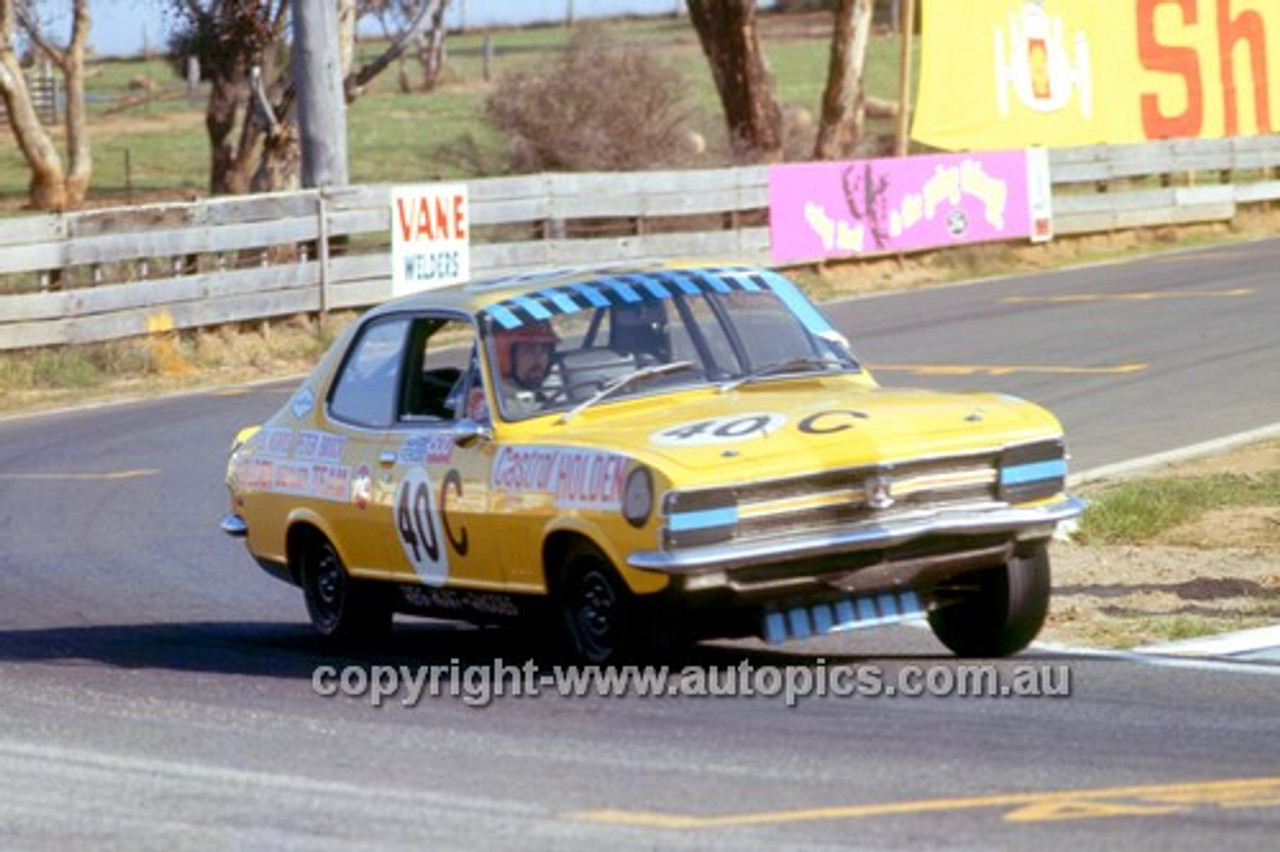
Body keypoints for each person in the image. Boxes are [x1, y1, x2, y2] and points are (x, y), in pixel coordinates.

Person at [491, 320, 559, 417]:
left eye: (544, 350)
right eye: (528, 351)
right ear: (504, 356)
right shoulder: (494, 408)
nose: (538, 360)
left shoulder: (546, 395)